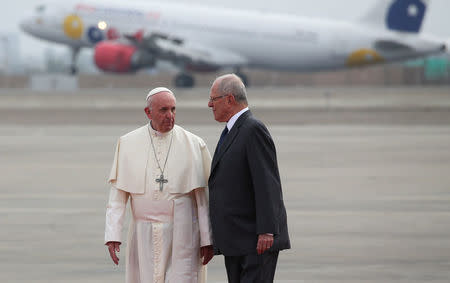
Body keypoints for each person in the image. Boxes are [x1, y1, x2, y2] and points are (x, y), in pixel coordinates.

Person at [105, 87, 214, 283]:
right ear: (148, 112)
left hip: (183, 235)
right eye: (163, 110)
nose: (170, 116)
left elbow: (203, 201)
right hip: (142, 235)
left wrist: (207, 239)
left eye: (173, 109)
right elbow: (117, 198)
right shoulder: (128, 143)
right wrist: (113, 235)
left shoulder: (194, 144)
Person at [207, 74, 290, 283]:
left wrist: (267, 231)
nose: (209, 104)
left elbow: (267, 183)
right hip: (237, 239)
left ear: (229, 99)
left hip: (256, 240)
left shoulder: (253, 129)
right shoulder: (232, 129)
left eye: (213, 99)